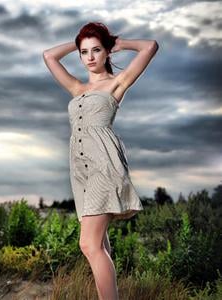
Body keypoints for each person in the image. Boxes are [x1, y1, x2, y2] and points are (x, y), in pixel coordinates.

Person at [42, 22, 159, 300]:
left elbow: (150, 46)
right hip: (79, 172)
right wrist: (79, 39)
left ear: (107, 52)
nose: (90, 57)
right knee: (99, 246)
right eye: (84, 52)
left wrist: (117, 41)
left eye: (97, 50)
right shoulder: (77, 87)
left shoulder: (116, 84)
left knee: (88, 244)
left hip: (104, 167)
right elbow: (49, 56)